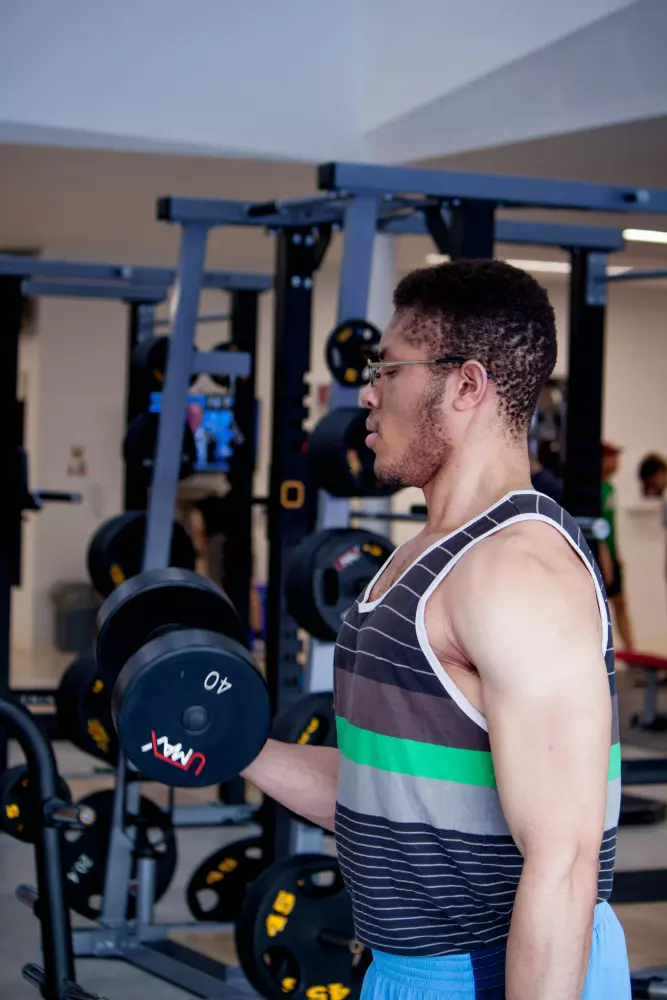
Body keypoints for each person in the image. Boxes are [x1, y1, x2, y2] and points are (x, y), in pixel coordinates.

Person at [244, 260, 629, 1000]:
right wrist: (225, 745)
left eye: (385, 368)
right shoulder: (422, 557)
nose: (365, 391)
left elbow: (564, 859)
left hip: (492, 975)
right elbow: (387, 792)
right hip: (406, 969)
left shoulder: (515, 570)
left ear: (465, 385)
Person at [599, 443, 634, 651]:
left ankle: (632, 653)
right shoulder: (596, 489)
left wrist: (616, 553)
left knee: (621, 605)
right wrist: (605, 557)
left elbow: (611, 525)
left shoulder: (611, 488)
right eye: (612, 458)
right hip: (603, 559)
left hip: (612, 557)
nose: (616, 463)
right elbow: (598, 525)